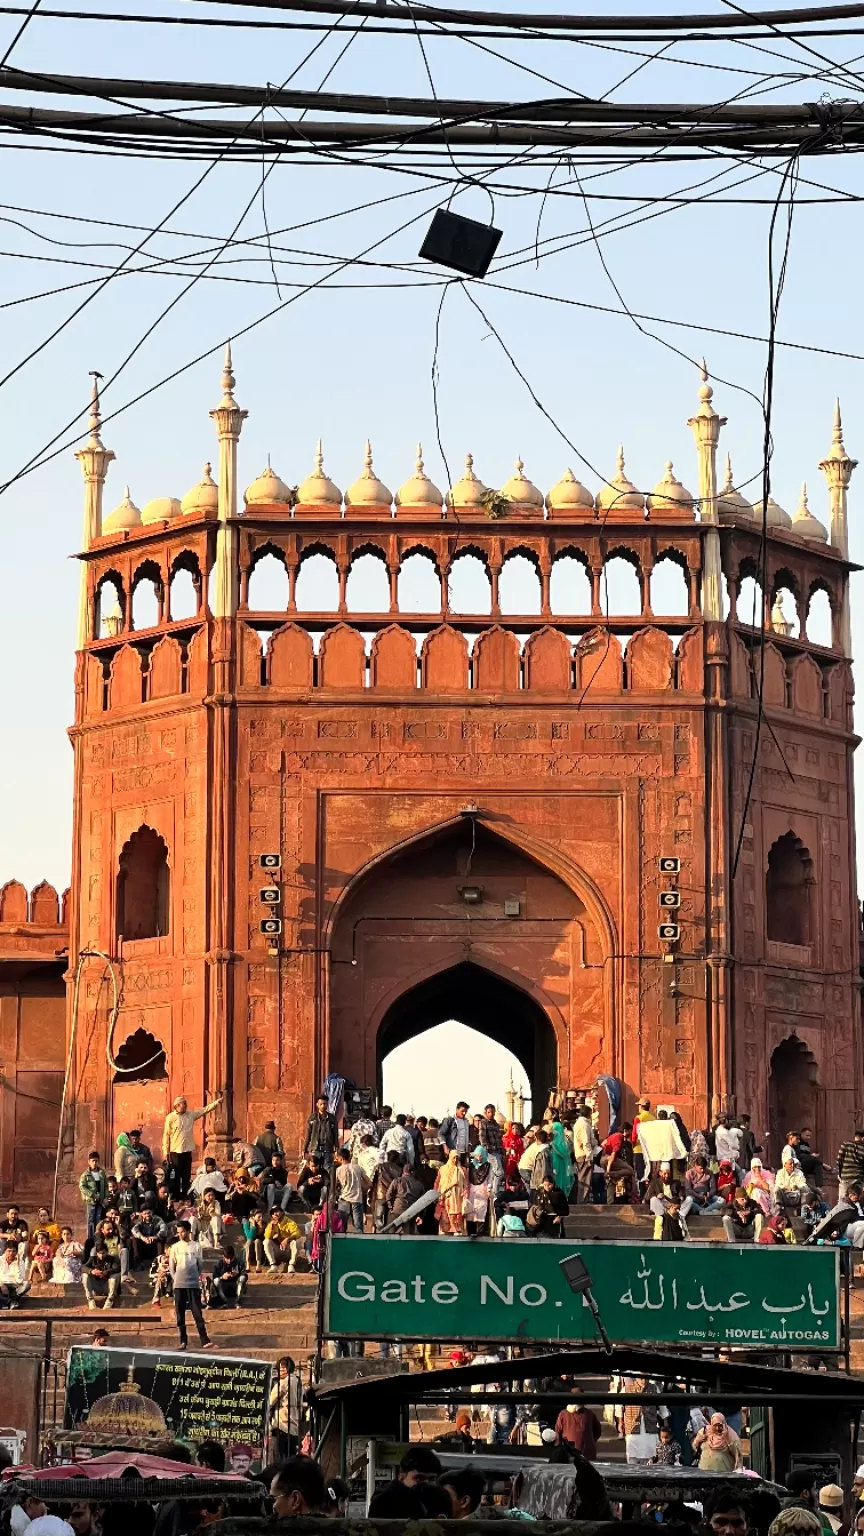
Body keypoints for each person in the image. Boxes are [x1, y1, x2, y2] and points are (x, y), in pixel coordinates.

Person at [162, 1093, 223, 1197]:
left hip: (187, 1150)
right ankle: (176, 1196)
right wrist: (165, 1152)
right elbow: (166, 1135)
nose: (186, 1105)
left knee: (186, 1175)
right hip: (175, 1151)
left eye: (186, 1103)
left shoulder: (190, 1115)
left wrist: (216, 1103)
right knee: (176, 1175)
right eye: (183, 1104)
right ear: (177, 1106)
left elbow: (204, 1110)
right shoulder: (170, 1118)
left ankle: (186, 1195)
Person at [168, 1220, 212, 1349]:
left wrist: (194, 1278)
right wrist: (176, 1279)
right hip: (179, 1285)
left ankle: (204, 1340)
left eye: (183, 1232)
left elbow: (200, 1265)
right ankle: (183, 1341)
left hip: (193, 1284)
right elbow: (172, 1267)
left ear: (188, 1231)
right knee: (180, 1315)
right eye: (178, 1232)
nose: (181, 1234)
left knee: (197, 1313)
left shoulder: (196, 1246)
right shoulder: (175, 1247)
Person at [368, 1446, 442, 1518]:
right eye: (419, 1478)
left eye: (432, 1479)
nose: (426, 1483)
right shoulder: (385, 1500)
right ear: (401, 1477)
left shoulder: (433, 1497)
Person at [270, 1357, 303, 1459]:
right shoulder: (298, 1382)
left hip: (282, 1424)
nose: (279, 1372)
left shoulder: (283, 1382)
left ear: (285, 1368)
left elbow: (270, 1401)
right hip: (295, 1424)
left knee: (281, 1457)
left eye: (280, 1369)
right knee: (291, 1457)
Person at [554, 1393, 602, 1460]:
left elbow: (558, 1433)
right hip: (585, 1453)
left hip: (572, 1453)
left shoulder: (563, 1414)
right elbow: (598, 1432)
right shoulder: (589, 1413)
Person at [435, 1149, 467, 1235]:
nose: (455, 1160)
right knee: (445, 1225)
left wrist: (465, 1193)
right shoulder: (443, 1169)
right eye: (453, 1158)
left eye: (457, 1158)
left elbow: (466, 1185)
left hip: (458, 1199)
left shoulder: (462, 1170)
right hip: (446, 1199)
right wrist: (439, 1195)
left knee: (457, 1228)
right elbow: (438, 1183)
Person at [79, 1153, 109, 1241]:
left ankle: (98, 1237)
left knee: (98, 1219)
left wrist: (106, 1197)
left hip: (100, 1200)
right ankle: (90, 1238)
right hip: (91, 1200)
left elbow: (106, 1186)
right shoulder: (86, 1174)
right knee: (91, 1219)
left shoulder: (101, 1173)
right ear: (89, 1162)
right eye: (93, 1161)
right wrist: (92, 1194)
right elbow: (82, 1186)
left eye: (96, 1161)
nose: (95, 1163)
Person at [82, 1242, 120, 1310]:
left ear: (107, 1252)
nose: (101, 1255)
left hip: (107, 1286)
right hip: (96, 1286)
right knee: (85, 1275)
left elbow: (117, 1268)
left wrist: (106, 1272)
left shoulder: (113, 1259)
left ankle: (110, 1300)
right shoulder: (93, 1259)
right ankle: (90, 1300)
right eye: (99, 1253)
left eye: (103, 1253)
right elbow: (83, 1267)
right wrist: (92, 1271)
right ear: (96, 1253)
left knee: (115, 1276)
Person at [335, 1148, 365, 1232]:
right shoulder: (358, 1168)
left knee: (342, 1228)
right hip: (357, 1199)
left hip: (344, 1199)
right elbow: (369, 1183)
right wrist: (362, 1190)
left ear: (341, 1158)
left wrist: (338, 1193)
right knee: (358, 1228)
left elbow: (333, 1186)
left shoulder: (338, 1170)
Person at [303, 1096, 338, 1169]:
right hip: (315, 1149)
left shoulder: (332, 1118)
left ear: (327, 1104)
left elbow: (335, 1135)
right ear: (317, 1105)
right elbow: (308, 1134)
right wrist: (304, 1149)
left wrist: (336, 1150)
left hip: (328, 1149)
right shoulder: (312, 1118)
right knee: (314, 1170)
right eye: (321, 1104)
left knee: (327, 1171)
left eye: (325, 1104)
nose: (323, 1106)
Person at [479, 1104, 506, 1199]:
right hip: (490, 1151)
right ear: (486, 1113)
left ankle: (493, 1191)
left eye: (492, 1112)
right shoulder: (483, 1122)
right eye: (489, 1112)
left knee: (495, 1173)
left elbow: (499, 1139)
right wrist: (486, 1149)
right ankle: (495, 1192)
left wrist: (502, 1151)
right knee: (499, 1172)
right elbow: (482, 1137)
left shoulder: (495, 1124)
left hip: (498, 1151)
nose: (491, 1114)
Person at [775, 1149, 813, 1216]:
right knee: (777, 1189)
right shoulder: (780, 1173)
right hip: (785, 1196)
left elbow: (804, 1184)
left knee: (806, 1191)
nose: (792, 1165)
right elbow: (778, 1184)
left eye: (793, 1163)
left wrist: (797, 1186)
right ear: (785, 1165)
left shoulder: (799, 1172)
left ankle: (804, 1212)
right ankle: (780, 1209)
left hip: (796, 1196)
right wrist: (785, 1187)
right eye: (790, 1164)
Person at [211, 1244, 248, 1308]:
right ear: (223, 1257)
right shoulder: (218, 1264)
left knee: (242, 1278)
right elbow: (214, 1278)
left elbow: (245, 1275)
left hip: (236, 1286)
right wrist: (222, 1277)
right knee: (216, 1281)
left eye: (231, 1258)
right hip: (223, 1288)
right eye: (227, 1258)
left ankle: (238, 1300)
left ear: (234, 1256)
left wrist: (237, 1275)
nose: (229, 1261)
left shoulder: (239, 1262)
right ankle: (223, 1300)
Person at [0, 1239, 30, 1307]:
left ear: (16, 1252)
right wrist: (1, 1284)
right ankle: (11, 1301)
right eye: (9, 1251)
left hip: (14, 1287)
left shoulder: (20, 1262)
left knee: (27, 1284)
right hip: (2, 1285)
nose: (11, 1253)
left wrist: (17, 1265)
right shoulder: (0, 1260)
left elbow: (20, 1281)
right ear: (5, 1251)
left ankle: (7, 1300)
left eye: (13, 1251)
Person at [837, 1130, 864, 1202]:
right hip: (858, 1178)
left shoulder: (845, 1144)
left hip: (845, 1177)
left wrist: (840, 1174)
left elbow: (839, 1160)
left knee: (842, 1200)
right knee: (857, 1200)